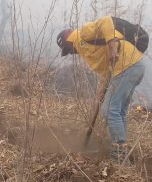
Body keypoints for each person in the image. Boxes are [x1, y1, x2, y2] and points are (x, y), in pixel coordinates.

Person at [57, 16, 146, 164]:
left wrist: (111, 45)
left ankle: (119, 155)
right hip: (134, 67)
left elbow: (106, 21)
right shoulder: (87, 50)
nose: (72, 53)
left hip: (127, 65)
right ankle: (122, 152)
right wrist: (100, 91)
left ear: (69, 41)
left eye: (68, 49)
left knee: (110, 109)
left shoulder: (84, 34)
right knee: (119, 110)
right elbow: (107, 69)